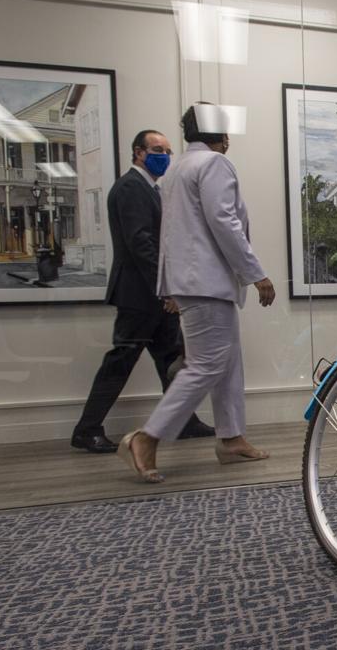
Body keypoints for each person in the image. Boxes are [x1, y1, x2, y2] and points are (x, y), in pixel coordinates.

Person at [118, 104, 275, 483]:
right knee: (206, 364)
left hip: (192, 282)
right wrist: (256, 274)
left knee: (227, 361)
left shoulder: (176, 170)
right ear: (220, 136)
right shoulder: (214, 165)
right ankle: (146, 437)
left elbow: (172, 233)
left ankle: (231, 437)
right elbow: (225, 221)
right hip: (207, 282)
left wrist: (169, 286)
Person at [70, 129, 214, 453]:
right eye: (156, 149)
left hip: (154, 294)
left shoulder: (149, 188)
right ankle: (87, 429)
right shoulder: (131, 188)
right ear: (138, 153)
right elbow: (141, 244)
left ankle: (184, 421)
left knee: (170, 357)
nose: (164, 155)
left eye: (167, 150)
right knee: (121, 360)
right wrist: (167, 289)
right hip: (139, 294)